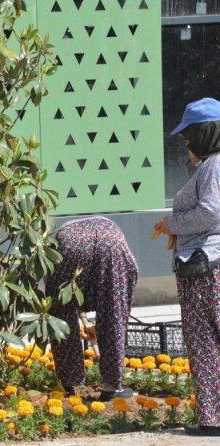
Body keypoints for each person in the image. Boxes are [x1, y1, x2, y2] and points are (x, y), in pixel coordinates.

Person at [154, 97, 220, 437]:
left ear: (206, 133)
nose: (186, 143)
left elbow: (210, 211)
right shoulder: (209, 165)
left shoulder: (213, 166)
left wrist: (172, 224)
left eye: (189, 136)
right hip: (207, 265)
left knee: (203, 342)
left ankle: (212, 419)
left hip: (205, 268)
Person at [45, 216, 138, 401]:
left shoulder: (60, 236)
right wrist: (95, 324)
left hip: (70, 242)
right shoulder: (110, 233)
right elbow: (130, 274)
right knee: (114, 310)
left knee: (60, 309)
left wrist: (82, 319)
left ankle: (69, 383)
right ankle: (112, 386)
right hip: (111, 239)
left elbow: (65, 294)